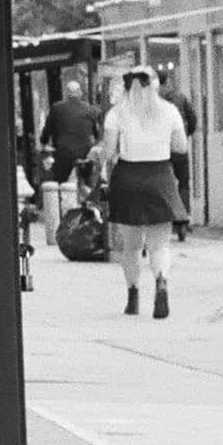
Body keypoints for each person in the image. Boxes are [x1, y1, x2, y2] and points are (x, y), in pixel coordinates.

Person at [93, 67, 189, 318]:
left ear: (127, 87)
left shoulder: (117, 113)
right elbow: (180, 147)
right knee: (160, 245)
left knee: (132, 246)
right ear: (155, 85)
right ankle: (161, 282)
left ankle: (133, 297)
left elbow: (109, 152)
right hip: (160, 177)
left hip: (128, 178)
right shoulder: (169, 111)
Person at [39, 72, 102, 244]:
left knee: (56, 183)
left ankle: (59, 220)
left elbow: (48, 129)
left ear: (67, 93)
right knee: (89, 183)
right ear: (80, 93)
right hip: (85, 152)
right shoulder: (91, 109)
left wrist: (44, 142)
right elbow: (96, 133)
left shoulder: (57, 108)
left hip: (64, 151)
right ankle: (91, 215)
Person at [158, 67, 200, 235]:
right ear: (167, 80)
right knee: (183, 182)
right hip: (178, 146)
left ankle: (162, 219)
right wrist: (185, 135)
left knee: (160, 182)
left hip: (159, 148)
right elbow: (193, 120)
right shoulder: (179, 97)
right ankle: (184, 218)